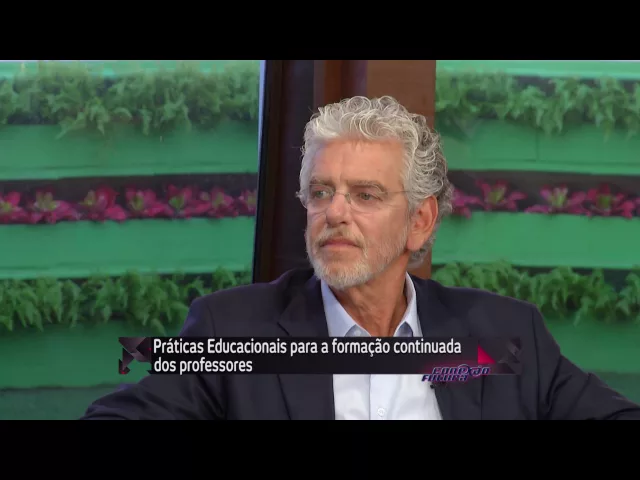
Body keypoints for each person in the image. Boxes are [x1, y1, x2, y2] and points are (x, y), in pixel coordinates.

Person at [81, 96, 640, 420]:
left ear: (420, 221)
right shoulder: (233, 329)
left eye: (366, 195)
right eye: (321, 192)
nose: (334, 213)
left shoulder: (504, 335)